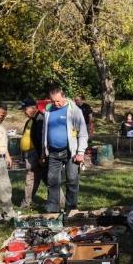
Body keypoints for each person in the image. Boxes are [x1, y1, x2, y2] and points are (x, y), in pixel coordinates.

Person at [43, 85, 88, 213]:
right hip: (53, 152)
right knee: (52, 181)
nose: (56, 104)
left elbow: (83, 132)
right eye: (53, 101)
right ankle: (53, 209)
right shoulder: (48, 110)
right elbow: (44, 131)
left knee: (72, 180)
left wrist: (80, 152)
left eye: (58, 101)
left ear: (63, 97)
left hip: (70, 152)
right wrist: (43, 151)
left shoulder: (74, 110)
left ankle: (71, 209)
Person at [18, 98, 46, 208]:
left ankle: (60, 202)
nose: (24, 112)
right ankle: (27, 202)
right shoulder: (30, 120)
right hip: (29, 154)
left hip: (37, 154)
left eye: (25, 109)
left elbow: (42, 139)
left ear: (33, 108)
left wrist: (42, 155)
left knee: (47, 178)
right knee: (33, 177)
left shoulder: (40, 119)